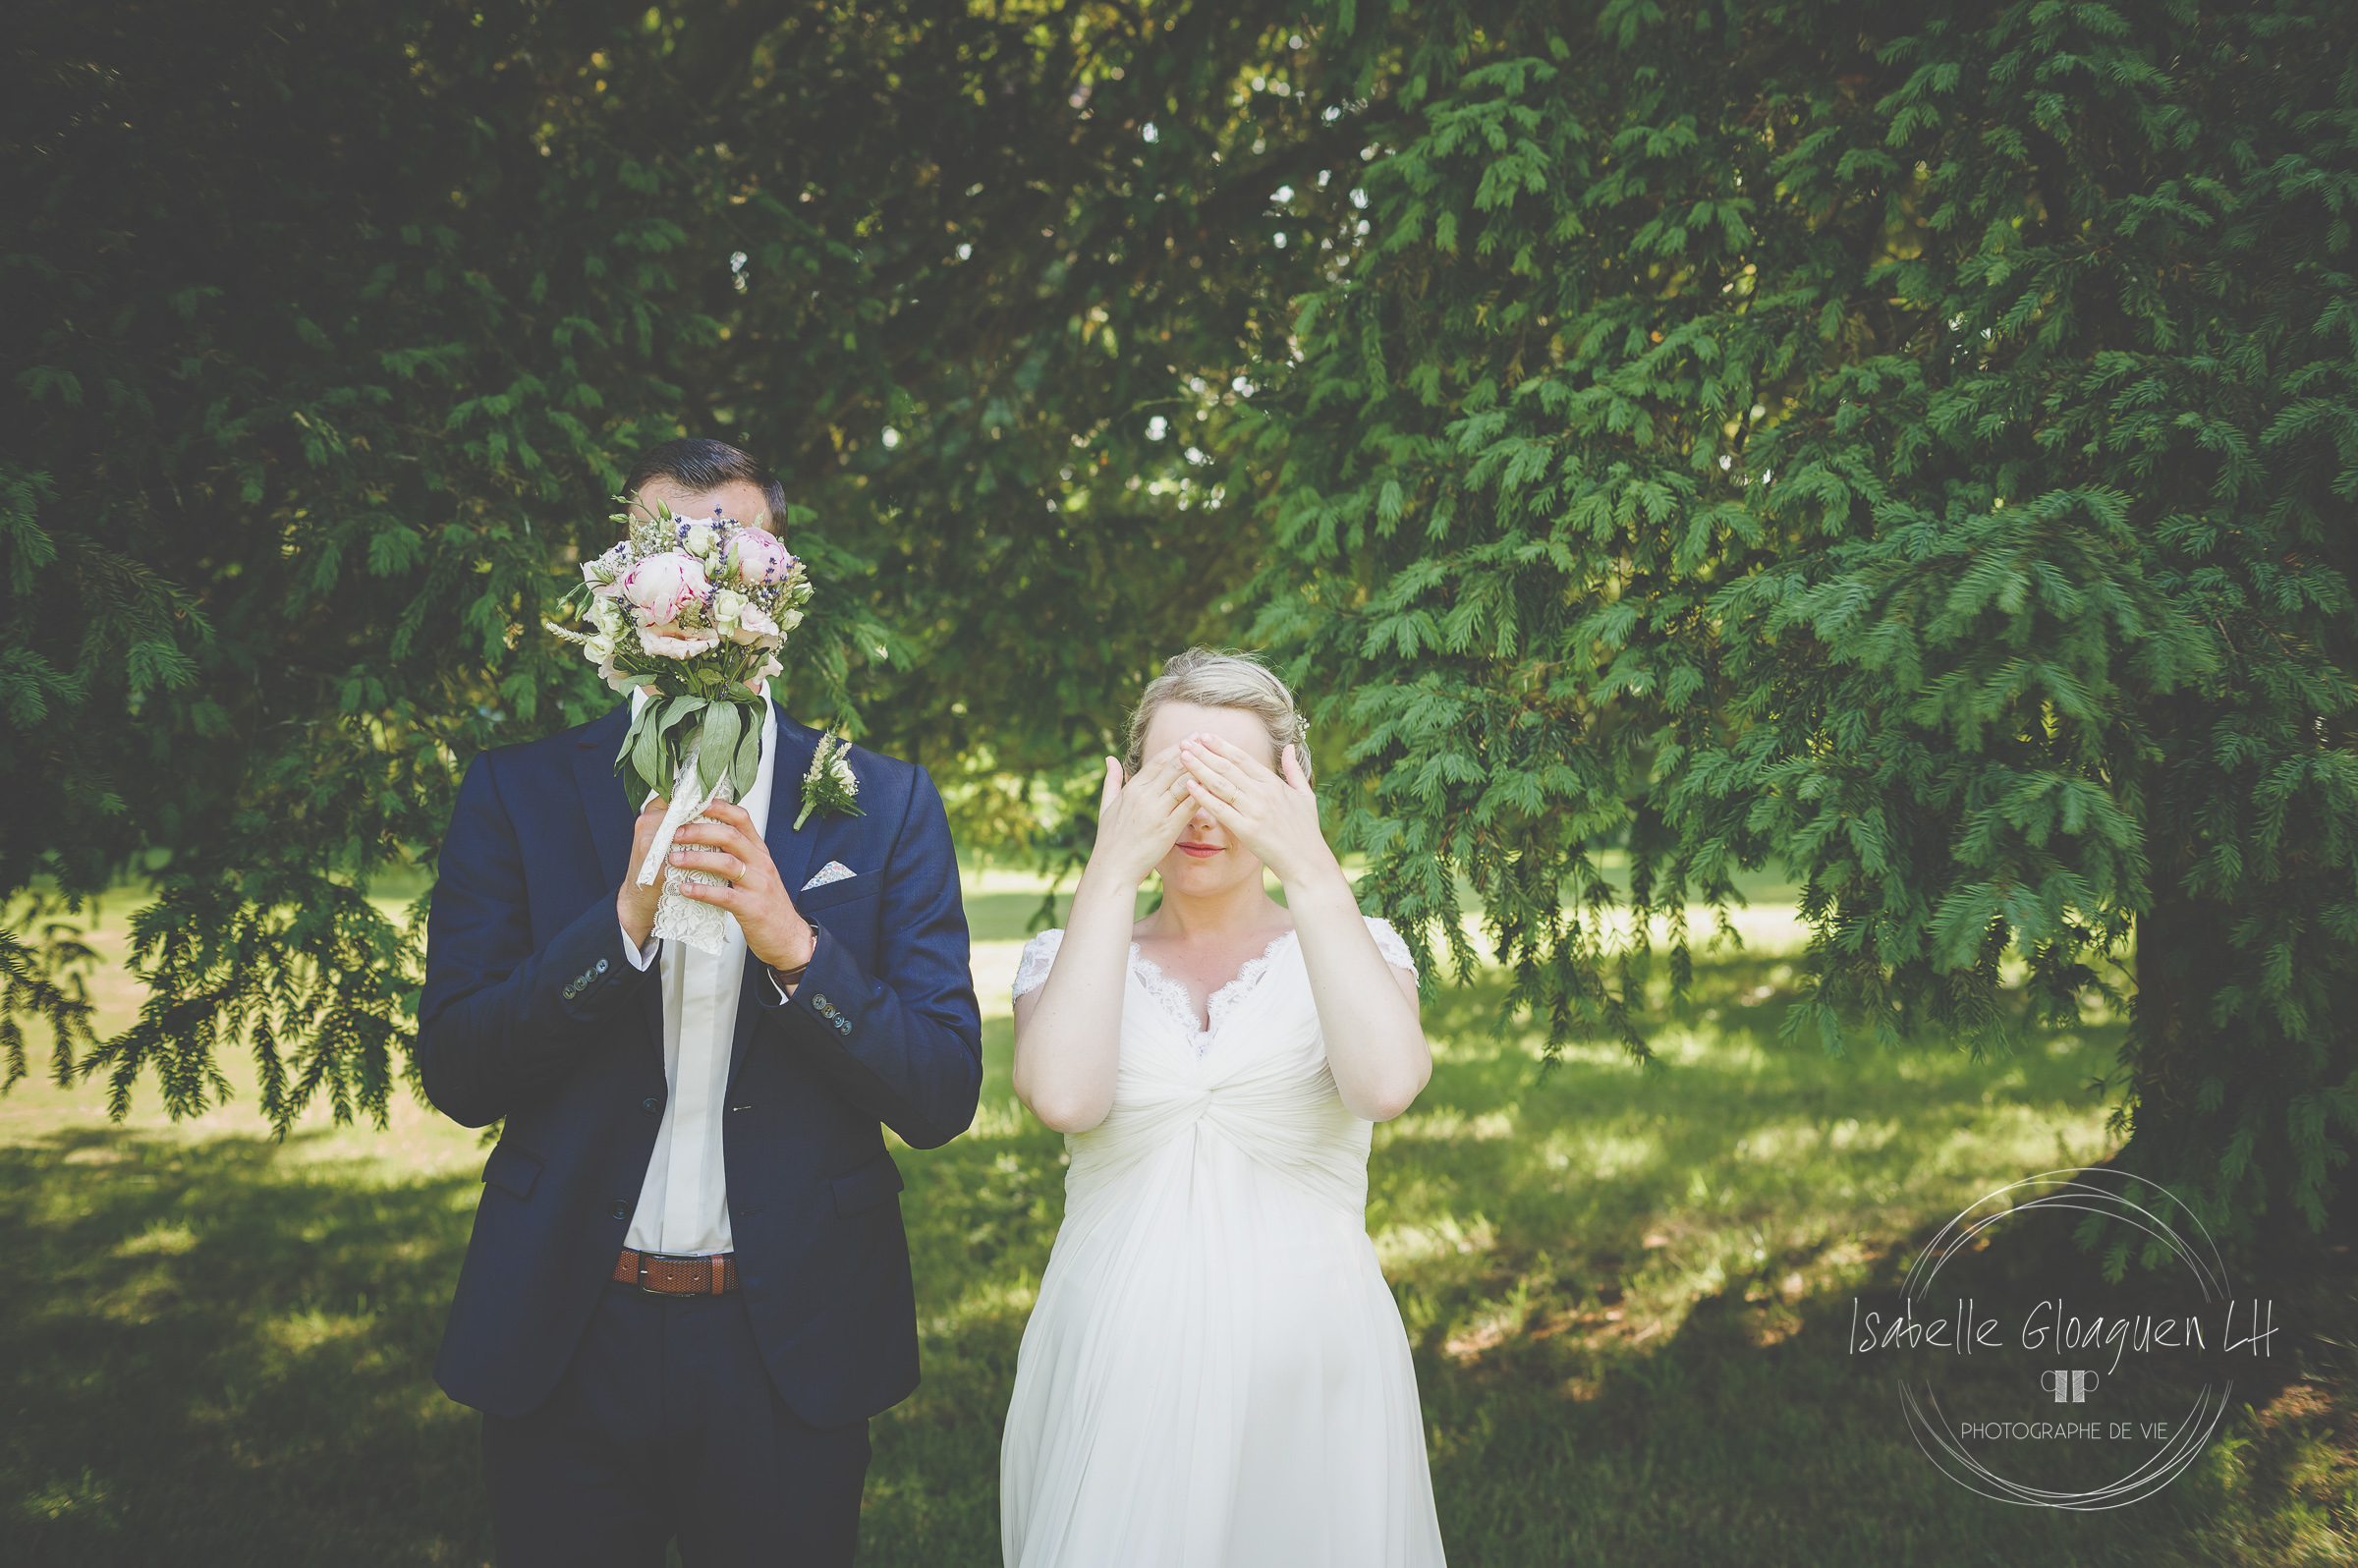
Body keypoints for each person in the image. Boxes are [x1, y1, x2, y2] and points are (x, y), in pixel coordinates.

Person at [418, 437, 982, 1567]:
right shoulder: (518, 792)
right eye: (661, 543)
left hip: (789, 1343)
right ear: (622, 583)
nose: (701, 573)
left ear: (779, 578)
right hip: (566, 1330)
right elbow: (461, 1072)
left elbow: (939, 1090)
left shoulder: (884, 805)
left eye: (730, 544)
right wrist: (615, 927)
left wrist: (794, 948)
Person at [999, 647, 1449, 1567]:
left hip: (1314, 1373)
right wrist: (1111, 870)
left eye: (1233, 780)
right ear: (1126, 789)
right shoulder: (1071, 952)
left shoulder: (1357, 945)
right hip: (1116, 1366)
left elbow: (1386, 1085)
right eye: (1174, 779)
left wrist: (1313, 867)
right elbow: (1064, 1096)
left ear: (1291, 789)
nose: (1201, 812)